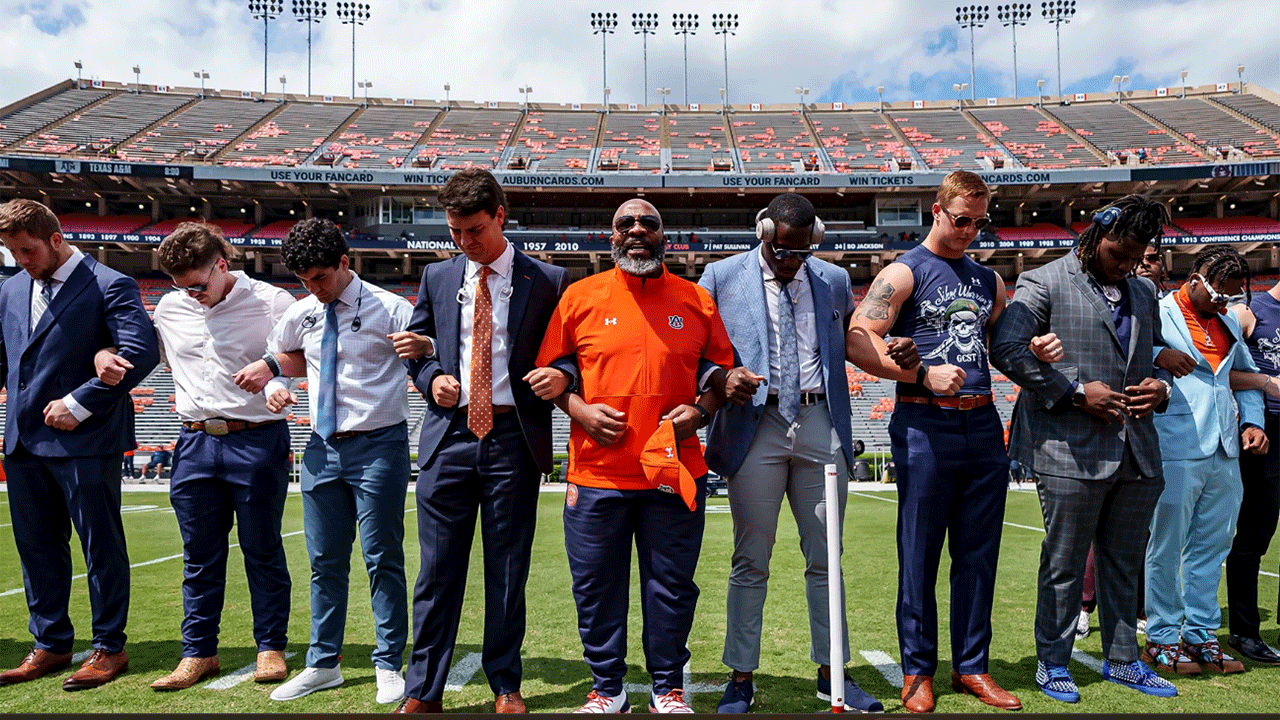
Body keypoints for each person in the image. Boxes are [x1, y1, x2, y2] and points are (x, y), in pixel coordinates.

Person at [698, 193, 905, 714]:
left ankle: (831, 671)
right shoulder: (721, 276)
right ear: (763, 231)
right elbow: (698, 350)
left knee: (826, 557)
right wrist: (722, 377)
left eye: (801, 252)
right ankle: (741, 677)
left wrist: (897, 358)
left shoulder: (832, 280)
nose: (791, 261)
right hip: (754, 422)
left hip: (819, 421)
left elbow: (855, 342)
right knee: (751, 558)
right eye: (783, 250)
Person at [535, 199, 736, 714]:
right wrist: (579, 411)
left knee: (670, 587)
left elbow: (718, 373)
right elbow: (554, 373)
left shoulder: (696, 300)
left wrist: (702, 409)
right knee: (596, 588)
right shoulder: (578, 297)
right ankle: (608, 689)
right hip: (597, 473)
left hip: (673, 471)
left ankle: (667, 687)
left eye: (649, 223)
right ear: (612, 237)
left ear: (665, 237)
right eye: (626, 224)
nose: (638, 230)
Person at [990, 195, 1179, 702]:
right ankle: (1052, 662)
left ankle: (1123, 660)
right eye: (1119, 253)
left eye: (1135, 257)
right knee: (1065, 561)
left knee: (1124, 561)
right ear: (1097, 234)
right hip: (1067, 448)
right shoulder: (1043, 280)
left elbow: (1154, 356)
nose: (1126, 265)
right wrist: (1075, 390)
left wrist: (1161, 387)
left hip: (1137, 447)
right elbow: (1005, 350)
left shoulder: (1141, 291)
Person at [845, 170, 1020, 713]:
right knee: (919, 552)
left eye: (980, 221)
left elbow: (1004, 349)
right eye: (961, 219)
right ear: (937, 211)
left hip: (986, 425)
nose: (970, 230)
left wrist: (1038, 347)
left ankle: (973, 667)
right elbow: (856, 339)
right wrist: (920, 376)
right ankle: (918, 670)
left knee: (978, 555)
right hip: (926, 423)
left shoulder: (989, 281)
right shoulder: (903, 272)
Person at [396, 169, 569, 714]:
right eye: (455, 233)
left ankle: (505, 684)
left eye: (474, 230)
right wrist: (432, 379)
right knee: (436, 571)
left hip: (513, 438)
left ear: (500, 215)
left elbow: (571, 353)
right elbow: (417, 351)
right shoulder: (438, 277)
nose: (465, 243)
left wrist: (560, 373)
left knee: (508, 568)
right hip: (447, 439)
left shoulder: (551, 280)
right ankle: (423, 690)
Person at [0, 198, 160, 690]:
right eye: (11, 252)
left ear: (55, 238)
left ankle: (109, 647)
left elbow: (140, 351)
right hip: (23, 441)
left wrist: (81, 401)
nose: (20, 260)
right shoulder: (10, 290)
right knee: (36, 549)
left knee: (100, 547)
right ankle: (50, 643)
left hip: (85, 439)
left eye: (26, 250)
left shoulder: (110, 284)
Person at [132, 222, 297, 690]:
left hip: (256, 437)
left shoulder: (272, 302)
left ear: (222, 266)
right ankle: (198, 653)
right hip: (193, 442)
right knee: (198, 556)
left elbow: (293, 358)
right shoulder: (170, 306)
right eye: (180, 286)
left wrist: (280, 386)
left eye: (197, 285)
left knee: (262, 549)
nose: (190, 295)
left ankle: (271, 647)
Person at [262, 218, 415, 704]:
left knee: (381, 558)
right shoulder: (302, 312)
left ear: (345, 263)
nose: (313, 289)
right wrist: (274, 385)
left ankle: (389, 662)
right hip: (321, 449)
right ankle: (323, 663)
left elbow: (423, 361)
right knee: (324, 562)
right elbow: (279, 357)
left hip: (378, 446)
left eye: (320, 278)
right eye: (304, 281)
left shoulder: (391, 308)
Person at [1145, 245, 1266, 676]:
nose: (1224, 302)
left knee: (1211, 548)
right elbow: (1130, 357)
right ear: (1195, 276)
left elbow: (1246, 378)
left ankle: (1200, 634)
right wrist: (1158, 357)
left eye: (1231, 296)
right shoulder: (1156, 312)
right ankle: (1160, 637)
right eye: (1219, 293)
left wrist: (1254, 422)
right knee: (1166, 546)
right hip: (1175, 443)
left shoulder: (1230, 321)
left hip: (1226, 450)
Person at [1224, 274, 1280, 664]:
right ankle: (1244, 632)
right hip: (1265, 432)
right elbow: (1216, 371)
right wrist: (1266, 385)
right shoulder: (1250, 311)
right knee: (1253, 537)